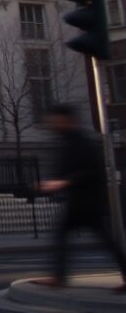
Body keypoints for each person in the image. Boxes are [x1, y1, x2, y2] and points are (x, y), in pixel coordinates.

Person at [35, 103, 126, 289]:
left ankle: (59, 277)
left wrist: (63, 182)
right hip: (78, 200)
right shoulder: (66, 139)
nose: (51, 123)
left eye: (55, 120)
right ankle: (59, 276)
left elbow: (91, 170)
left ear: (65, 119)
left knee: (104, 240)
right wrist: (55, 183)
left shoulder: (81, 140)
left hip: (87, 200)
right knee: (98, 239)